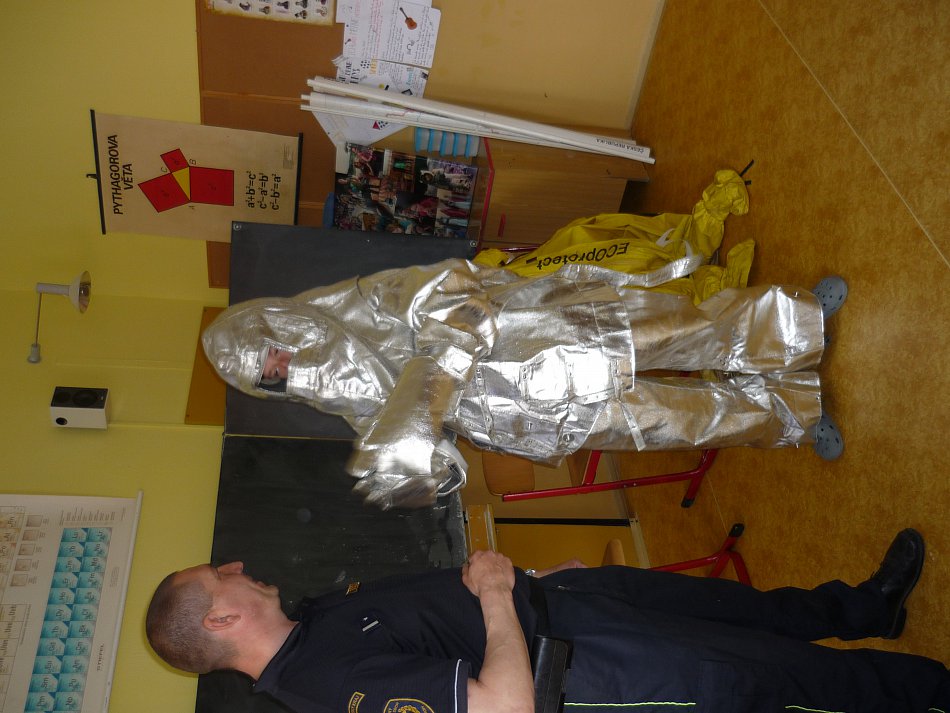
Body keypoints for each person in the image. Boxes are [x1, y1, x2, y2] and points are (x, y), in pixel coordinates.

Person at [203, 258, 848, 509]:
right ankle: (795, 415)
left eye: (275, 350)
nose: (285, 368)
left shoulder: (369, 299)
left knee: (691, 329)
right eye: (272, 377)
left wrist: (422, 398)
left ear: (282, 319)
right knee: (680, 422)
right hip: (538, 417)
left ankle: (799, 324)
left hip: (557, 332)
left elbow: (456, 292)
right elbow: (440, 463)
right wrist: (412, 475)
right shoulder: (352, 405)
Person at [146, 528, 948, 713]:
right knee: (773, 678)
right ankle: (929, 691)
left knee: (741, 609)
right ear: (221, 616)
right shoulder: (326, 682)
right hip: (590, 670)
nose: (237, 565)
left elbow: (442, 618)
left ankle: (866, 607)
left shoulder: (311, 623)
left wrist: (526, 585)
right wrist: (500, 595)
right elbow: (501, 706)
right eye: (223, 574)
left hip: (563, 605)